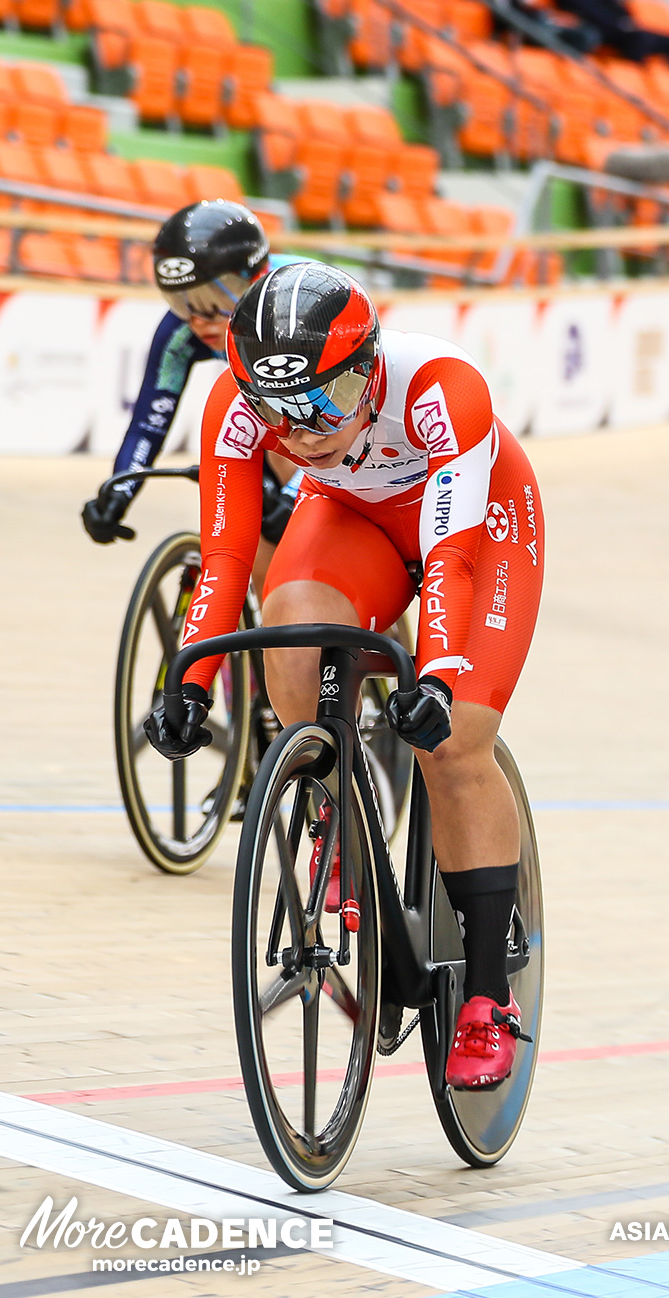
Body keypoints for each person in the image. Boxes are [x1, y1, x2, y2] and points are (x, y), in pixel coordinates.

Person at [144, 262, 544, 1090]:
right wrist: (187, 678)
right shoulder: (236, 404)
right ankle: (338, 806)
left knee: (456, 743)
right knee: (289, 631)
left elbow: (451, 561)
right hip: (353, 516)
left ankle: (488, 993)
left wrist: (435, 679)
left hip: (477, 524)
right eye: (277, 414)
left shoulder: (441, 388)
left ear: (368, 367)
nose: (300, 434)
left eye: (322, 405)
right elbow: (224, 561)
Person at [80, 200, 309, 587]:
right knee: (264, 570)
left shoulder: (294, 308)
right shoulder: (180, 331)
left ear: (254, 280)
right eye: (181, 302)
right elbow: (150, 422)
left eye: (214, 300)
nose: (199, 318)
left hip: (321, 422)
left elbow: (337, 424)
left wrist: (293, 494)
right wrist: (120, 490)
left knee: (285, 449)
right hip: (267, 412)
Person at [551, 0, 669, 70]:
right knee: (640, 39)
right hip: (600, 29)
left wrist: (625, 22)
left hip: (622, 27)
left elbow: (618, 9)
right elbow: (584, 12)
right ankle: (635, 80)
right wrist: (621, 25)